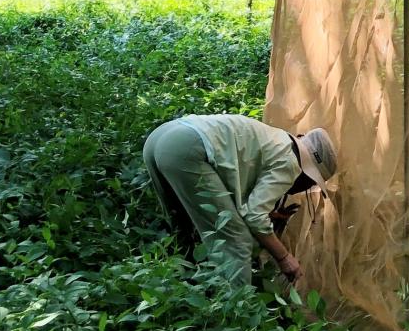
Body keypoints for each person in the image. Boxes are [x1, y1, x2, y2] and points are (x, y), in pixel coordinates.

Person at [141, 114, 337, 285]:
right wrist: (284, 257)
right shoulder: (291, 162)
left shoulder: (277, 139)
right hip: (187, 148)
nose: (303, 189)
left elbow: (231, 184)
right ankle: (236, 315)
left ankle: (181, 291)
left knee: (184, 229)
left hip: (162, 138)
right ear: (307, 173)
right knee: (236, 241)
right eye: (309, 184)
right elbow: (253, 216)